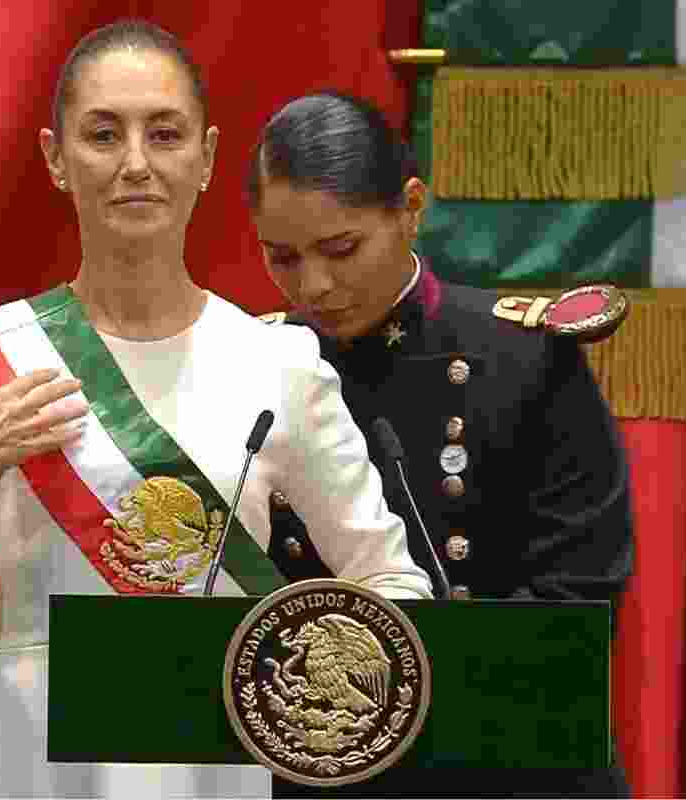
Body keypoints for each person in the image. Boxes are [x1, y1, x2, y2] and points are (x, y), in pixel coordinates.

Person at [0, 22, 435, 800]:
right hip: (29, 768)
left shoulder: (279, 366)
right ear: (55, 158)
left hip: (212, 765)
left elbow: (395, 586)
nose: (135, 163)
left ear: (204, 159)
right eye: (103, 134)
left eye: (164, 134)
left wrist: (304, 692)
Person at [244, 91, 635, 797]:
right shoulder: (253, 367)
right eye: (283, 258)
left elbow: (581, 600)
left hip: (507, 761)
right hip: (321, 764)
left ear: (411, 207)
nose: (316, 285)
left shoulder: (523, 357)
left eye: (341, 248)